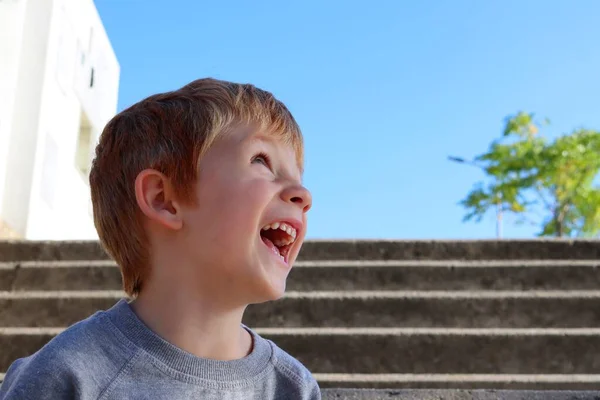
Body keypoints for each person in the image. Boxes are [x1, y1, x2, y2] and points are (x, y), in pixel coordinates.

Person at [0, 78, 319, 399]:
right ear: (162, 199)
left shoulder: (293, 388)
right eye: (261, 160)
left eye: (299, 177)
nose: (302, 195)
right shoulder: (68, 374)